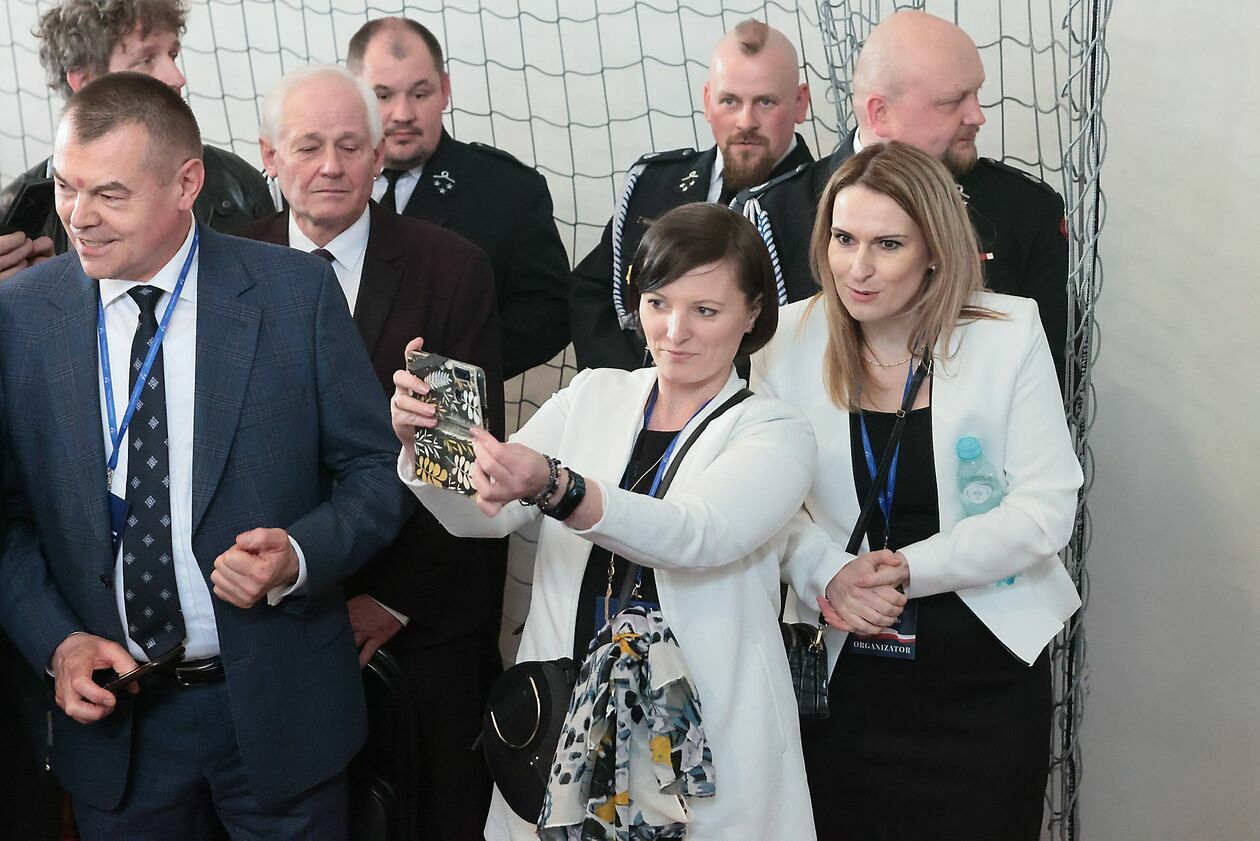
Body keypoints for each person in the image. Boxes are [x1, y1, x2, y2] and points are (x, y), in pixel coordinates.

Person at [0, 72, 408, 839]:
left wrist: (298, 554)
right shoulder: (21, 317)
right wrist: (57, 642)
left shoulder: (295, 295)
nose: (78, 216)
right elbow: (7, 518)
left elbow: (377, 471)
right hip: (118, 731)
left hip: (281, 716)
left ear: (187, 184)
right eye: (66, 187)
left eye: (109, 194)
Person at [391, 203, 818, 841]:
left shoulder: (776, 428)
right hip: (565, 722)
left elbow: (694, 534)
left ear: (753, 312)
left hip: (701, 731)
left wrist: (558, 487)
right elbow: (483, 518)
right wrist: (427, 446)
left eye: (706, 310)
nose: (674, 331)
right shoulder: (594, 393)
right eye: (657, 303)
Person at [754, 141, 1083, 840]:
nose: (858, 267)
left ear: (934, 249)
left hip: (984, 677)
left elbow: (1046, 508)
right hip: (841, 673)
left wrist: (907, 567)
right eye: (844, 238)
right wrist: (828, 571)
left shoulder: (1008, 332)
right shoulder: (785, 340)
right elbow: (763, 504)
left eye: (888, 244)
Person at [237, 63, 506, 841]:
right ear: (269, 156)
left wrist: (389, 601)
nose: (331, 165)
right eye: (308, 146)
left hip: (419, 621)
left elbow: (461, 464)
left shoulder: (450, 269)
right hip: (271, 620)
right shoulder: (225, 264)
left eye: (350, 146)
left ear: (379, 154)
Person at [737, 10, 1070, 385]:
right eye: (952, 101)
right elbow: (745, 375)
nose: (977, 116)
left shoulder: (1024, 211)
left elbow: (1048, 375)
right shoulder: (771, 215)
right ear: (880, 113)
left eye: (976, 93)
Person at [569, 19, 814, 372]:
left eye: (765, 102)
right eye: (729, 101)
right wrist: (639, 386)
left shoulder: (829, 204)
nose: (746, 121)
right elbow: (592, 296)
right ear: (708, 101)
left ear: (800, 103)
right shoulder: (652, 184)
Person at [346, 17, 571, 380]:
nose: (403, 114)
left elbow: (550, 311)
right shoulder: (318, 186)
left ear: (445, 90)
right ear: (353, 95)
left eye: (420, 94)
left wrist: (452, 371)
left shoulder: (507, 191)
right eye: (382, 96)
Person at [0, 0, 275, 278]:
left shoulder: (237, 184)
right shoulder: (15, 216)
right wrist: (38, 292)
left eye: (173, 55)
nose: (176, 77)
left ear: (189, 182)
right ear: (85, 82)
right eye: (146, 60)